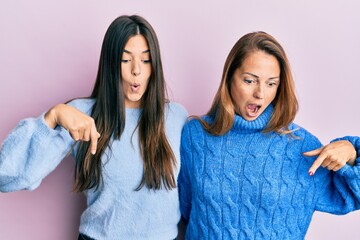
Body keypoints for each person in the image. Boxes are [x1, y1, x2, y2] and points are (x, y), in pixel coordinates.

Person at [0, 15, 188, 240]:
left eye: (146, 60)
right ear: (110, 63)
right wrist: (52, 117)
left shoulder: (176, 117)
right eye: (125, 60)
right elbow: (7, 177)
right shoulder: (81, 114)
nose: (136, 70)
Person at [178, 31, 360, 239]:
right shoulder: (195, 137)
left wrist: (353, 152)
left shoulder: (301, 146)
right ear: (229, 78)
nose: (260, 94)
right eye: (249, 81)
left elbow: (353, 196)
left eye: (271, 83)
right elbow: (184, 211)